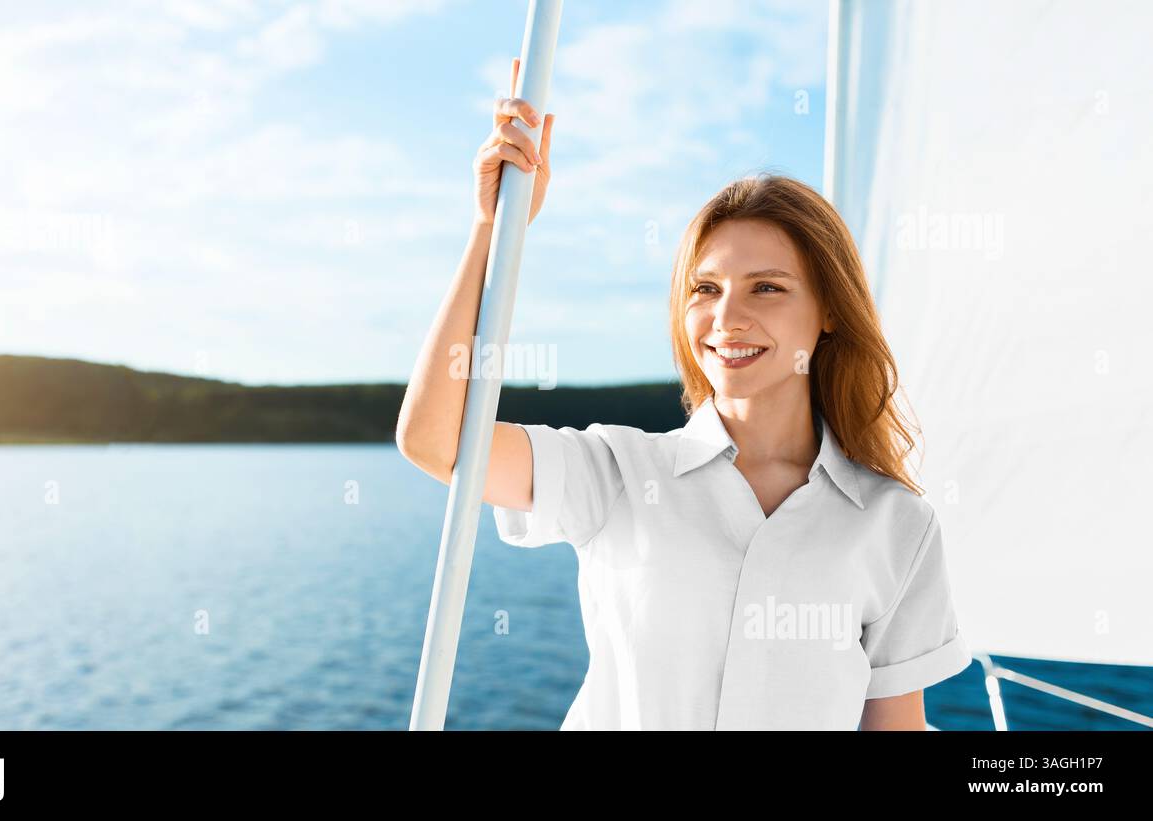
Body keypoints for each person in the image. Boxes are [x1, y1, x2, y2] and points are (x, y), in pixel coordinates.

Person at [396, 58, 971, 730]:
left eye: (767, 287)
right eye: (706, 289)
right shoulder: (615, 471)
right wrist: (494, 230)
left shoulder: (896, 524)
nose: (727, 317)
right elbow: (435, 441)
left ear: (829, 310)